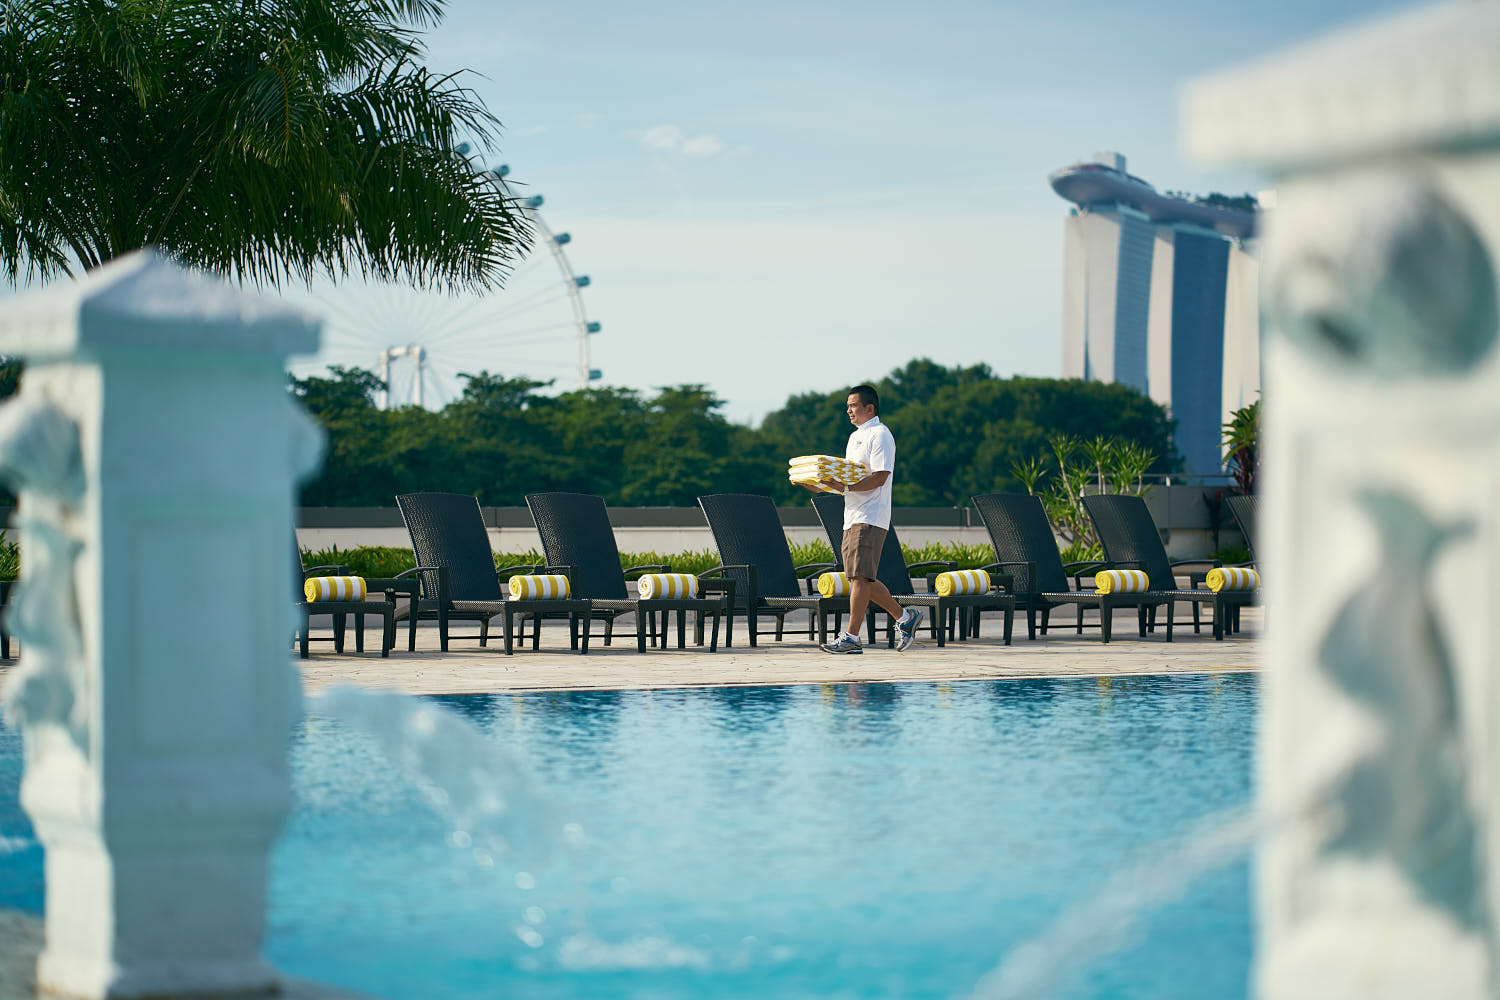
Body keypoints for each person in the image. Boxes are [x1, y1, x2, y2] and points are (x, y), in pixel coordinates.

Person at [799, 384, 921, 653]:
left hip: (870, 515)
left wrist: (845, 488)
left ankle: (852, 638)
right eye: (848, 406)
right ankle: (905, 617)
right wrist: (819, 485)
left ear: (870, 408)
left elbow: (880, 476)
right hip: (852, 515)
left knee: (860, 578)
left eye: (853, 405)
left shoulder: (880, 435)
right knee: (860, 578)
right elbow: (847, 481)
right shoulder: (855, 437)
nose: (848, 410)